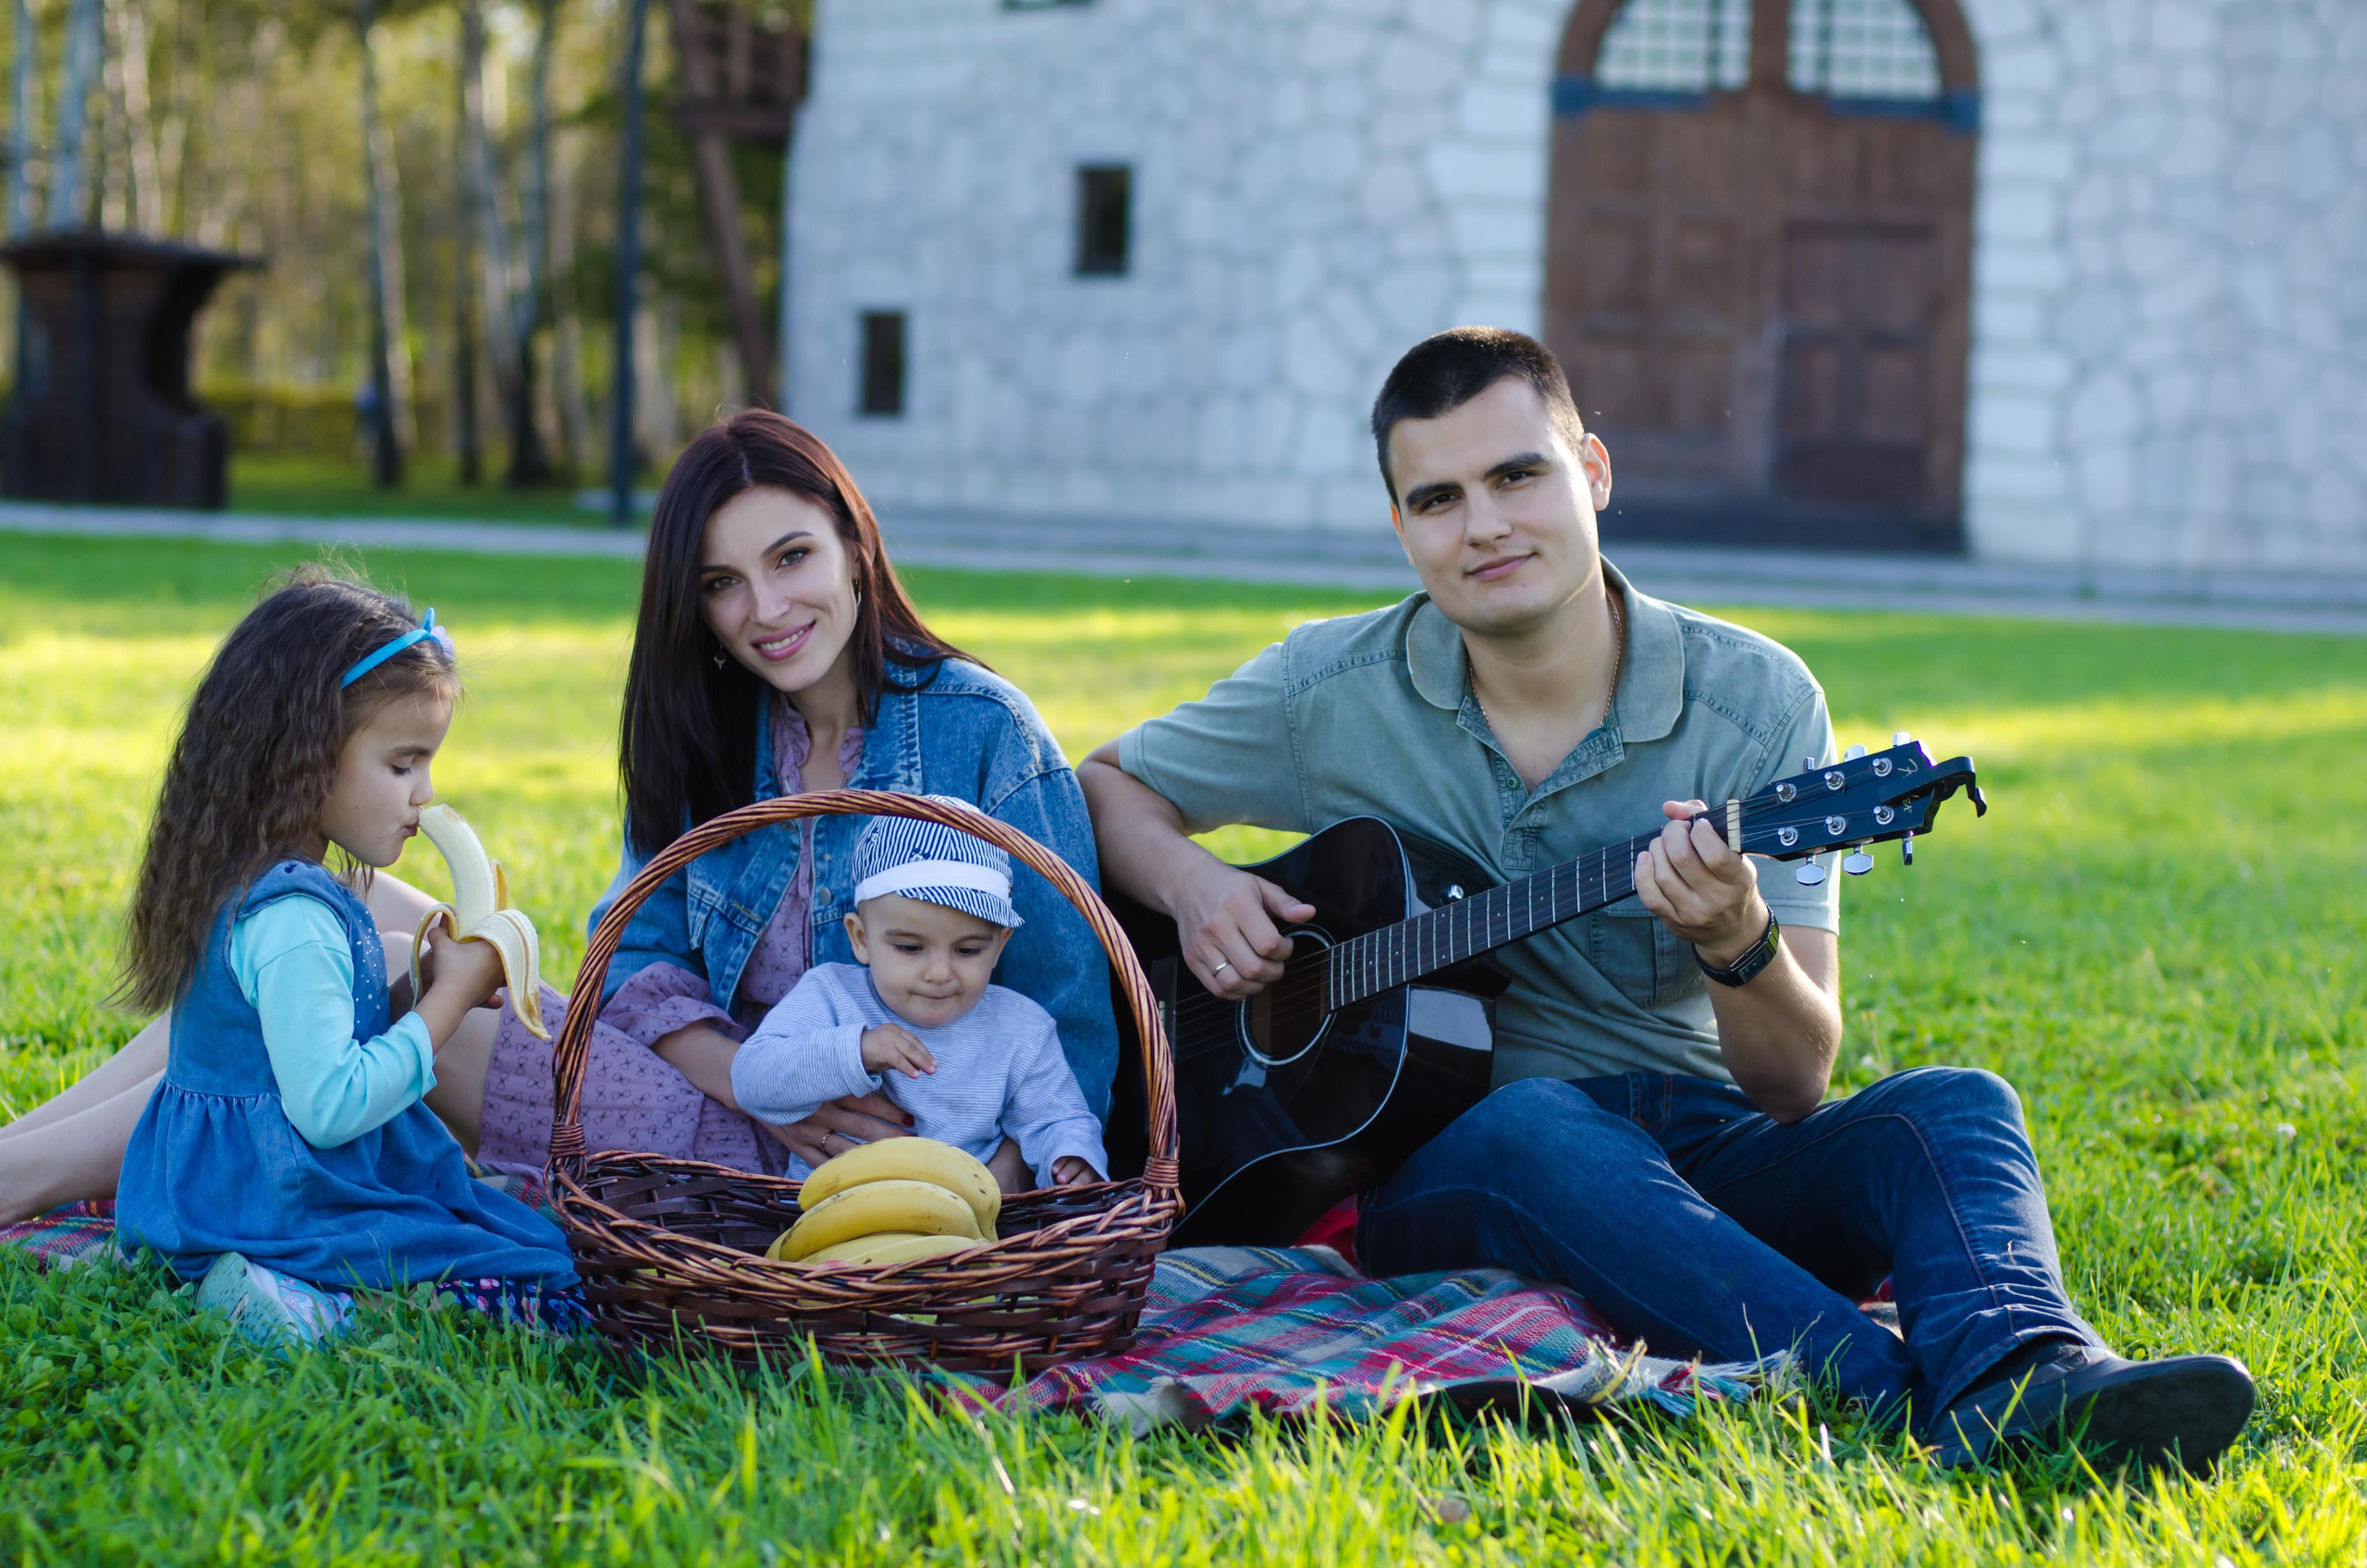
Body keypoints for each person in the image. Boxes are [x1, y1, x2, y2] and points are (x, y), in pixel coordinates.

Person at [1078, 326, 2256, 1473]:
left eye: (1516, 474)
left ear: (1590, 471)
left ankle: (2027, 1371)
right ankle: (1871, 1384)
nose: (1483, 524)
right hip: (1456, 1167)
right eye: (1436, 499)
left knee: (1951, 1105)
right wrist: (1194, 886)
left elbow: (1793, 1082)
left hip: (1702, 1149)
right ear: (1400, 527)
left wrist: (1734, 940)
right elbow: (1111, 782)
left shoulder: (1753, 704)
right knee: (1536, 1123)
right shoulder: (1328, 688)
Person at [0, 410, 1118, 1218]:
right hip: (715, 1081)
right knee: (331, 913)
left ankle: (29, 1179)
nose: (765, 610)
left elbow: (1071, 1019)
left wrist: (981, 1197)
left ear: (855, 547)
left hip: (823, 1158)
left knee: (370, 982)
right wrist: (746, 1078)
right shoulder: (717, 728)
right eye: (723, 583)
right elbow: (630, 953)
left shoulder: (981, 734)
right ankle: (20, 1147)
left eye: (791, 558)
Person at [108, 568, 582, 1342]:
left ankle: (264, 1274)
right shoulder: (296, 918)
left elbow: (304, 1038)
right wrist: (449, 1004)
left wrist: (412, 989)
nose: (424, 794)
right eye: (402, 765)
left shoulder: (263, 884)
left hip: (216, 1188)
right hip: (277, 1196)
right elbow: (330, 1110)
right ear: (306, 755)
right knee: (541, 1272)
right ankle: (300, 1295)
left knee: (504, 1232)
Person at [733, 809, 1107, 1189]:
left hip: (968, 1227)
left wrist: (1070, 1156)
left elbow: (1056, 1118)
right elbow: (750, 1078)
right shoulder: (830, 995)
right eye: (910, 947)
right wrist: (856, 1050)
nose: (939, 973)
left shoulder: (1021, 1029)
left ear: (999, 947)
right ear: (860, 938)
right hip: (833, 1217)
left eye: (968, 951)